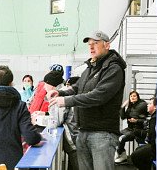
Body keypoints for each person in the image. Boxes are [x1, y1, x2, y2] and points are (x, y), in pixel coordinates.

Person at [48, 30, 127, 170]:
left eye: (95, 43)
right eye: (90, 44)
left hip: (102, 134)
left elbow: (98, 96)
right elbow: (77, 87)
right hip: (83, 131)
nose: (91, 47)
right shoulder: (90, 68)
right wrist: (59, 92)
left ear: (107, 45)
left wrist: (66, 101)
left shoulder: (114, 69)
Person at [115, 90, 148, 163]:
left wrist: (136, 120)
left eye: (134, 96)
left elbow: (143, 118)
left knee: (122, 138)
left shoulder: (142, 105)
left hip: (137, 130)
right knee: (115, 136)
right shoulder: (130, 107)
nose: (132, 97)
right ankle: (122, 155)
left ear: (137, 97)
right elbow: (123, 117)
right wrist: (123, 107)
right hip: (129, 128)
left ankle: (121, 155)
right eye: (131, 96)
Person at [131, 97, 157, 170]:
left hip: (155, 147)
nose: (147, 105)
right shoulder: (153, 118)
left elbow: (152, 136)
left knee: (135, 156)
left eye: (150, 104)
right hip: (153, 144)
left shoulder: (154, 119)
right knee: (138, 149)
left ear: (155, 107)